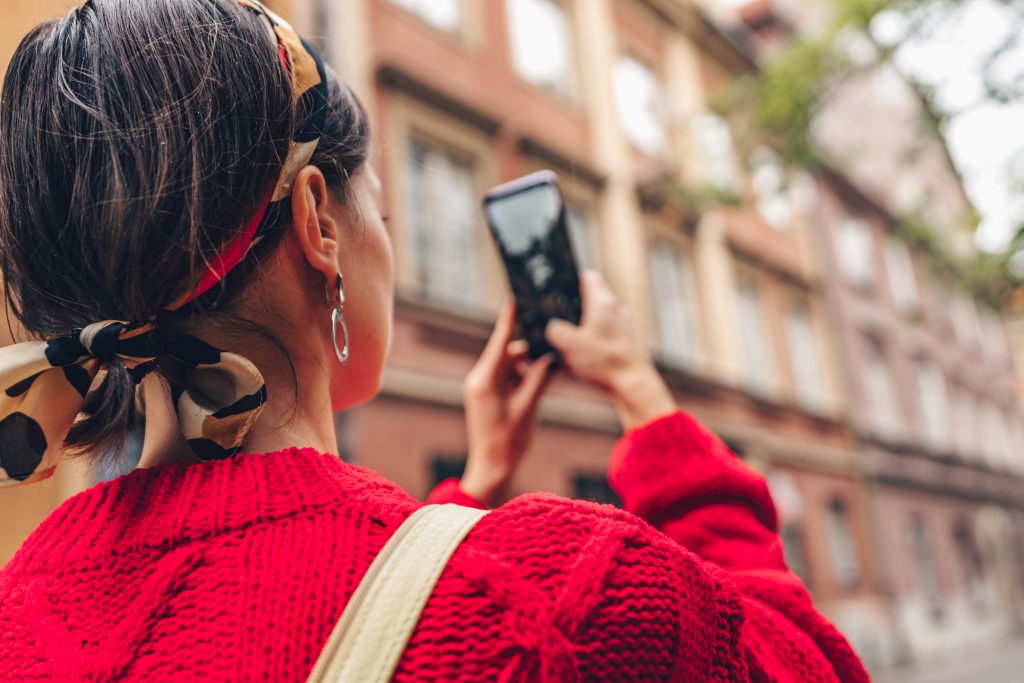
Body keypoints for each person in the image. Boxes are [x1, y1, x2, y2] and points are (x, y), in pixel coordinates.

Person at [0, 1, 869, 681]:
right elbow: (808, 662)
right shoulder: (561, 591)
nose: (390, 234)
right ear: (318, 224)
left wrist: (471, 489)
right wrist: (646, 401)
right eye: (377, 201)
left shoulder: (19, 607)